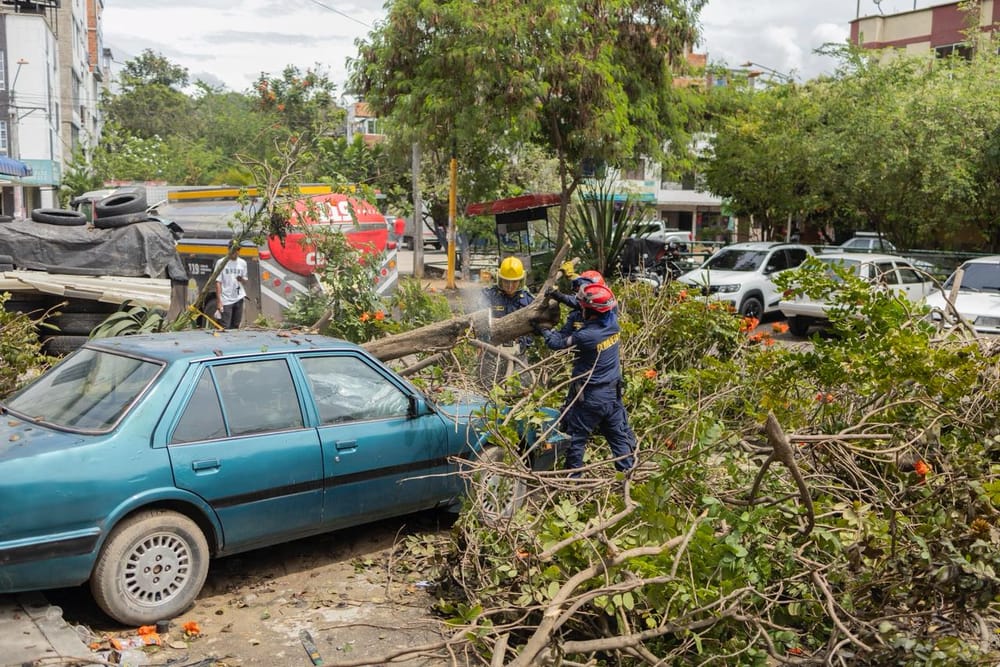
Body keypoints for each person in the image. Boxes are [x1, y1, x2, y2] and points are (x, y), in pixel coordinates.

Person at [535, 283, 636, 475]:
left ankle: (574, 482)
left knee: (576, 439)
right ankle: (628, 476)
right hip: (613, 395)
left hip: (591, 398)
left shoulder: (586, 335)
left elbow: (556, 343)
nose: (579, 307)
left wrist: (543, 330)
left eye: (583, 306)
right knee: (618, 437)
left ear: (589, 310)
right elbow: (581, 304)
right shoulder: (613, 321)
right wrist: (559, 296)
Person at [479, 256, 534, 386]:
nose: (510, 286)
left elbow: (535, 326)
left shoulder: (528, 300)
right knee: (486, 386)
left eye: (514, 282)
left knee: (522, 386)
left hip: (518, 352)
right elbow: (476, 318)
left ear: (521, 280)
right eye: (506, 282)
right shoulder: (489, 295)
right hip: (492, 350)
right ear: (500, 279)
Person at [214, 243, 249, 329]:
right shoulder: (221, 262)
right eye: (233, 249)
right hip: (226, 299)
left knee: (236, 325)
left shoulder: (242, 263)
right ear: (229, 249)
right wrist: (219, 301)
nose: (236, 252)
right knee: (225, 326)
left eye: (237, 250)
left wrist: (242, 279)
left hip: (239, 297)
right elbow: (218, 282)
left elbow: (246, 280)